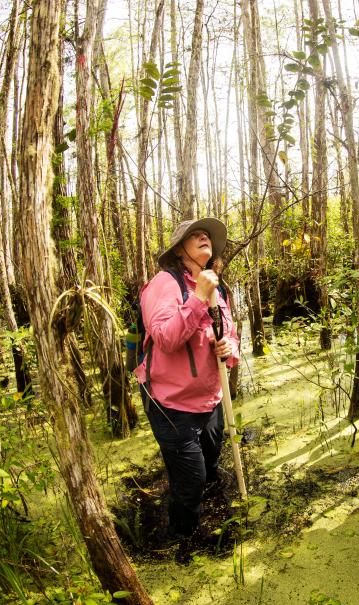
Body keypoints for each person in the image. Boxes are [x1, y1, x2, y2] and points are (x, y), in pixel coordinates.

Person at [134, 217, 240, 552]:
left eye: (206, 235)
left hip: (209, 400)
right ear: (180, 250)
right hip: (170, 403)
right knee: (191, 480)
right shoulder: (163, 285)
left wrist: (229, 349)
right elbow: (165, 338)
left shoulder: (217, 289)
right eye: (195, 236)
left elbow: (230, 335)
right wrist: (197, 298)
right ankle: (182, 540)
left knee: (208, 467)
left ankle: (200, 516)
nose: (204, 238)